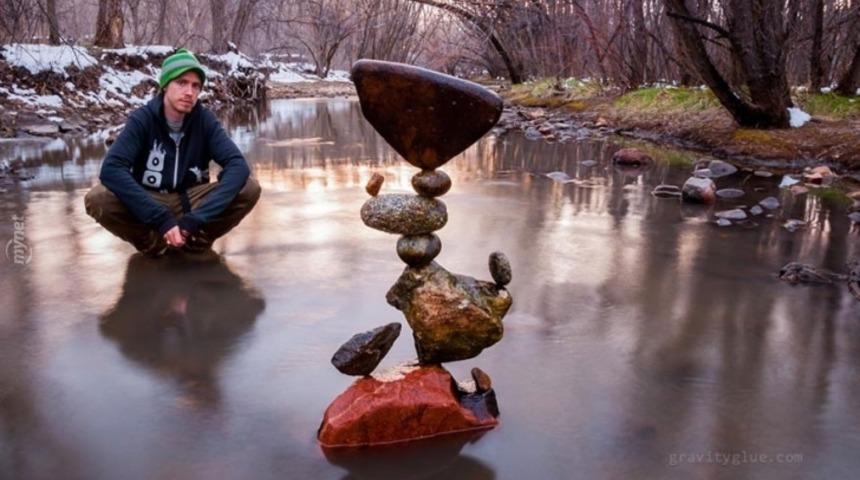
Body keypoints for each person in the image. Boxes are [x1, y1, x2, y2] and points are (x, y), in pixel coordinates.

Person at [84, 48, 261, 256]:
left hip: (191, 201)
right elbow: (111, 169)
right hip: (151, 199)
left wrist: (198, 218)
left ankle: (196, 242)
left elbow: (237, 165)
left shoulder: (204, 121)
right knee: (97, 198)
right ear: (165, 85)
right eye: (181, 82)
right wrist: (160, 219)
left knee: (249, 188)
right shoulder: (143, 120)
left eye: (196, 86)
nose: (189, 92)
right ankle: (152, 245)